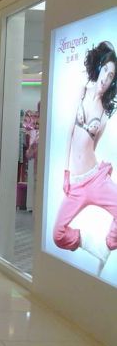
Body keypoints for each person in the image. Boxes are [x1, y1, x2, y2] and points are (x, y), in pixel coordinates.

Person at [53, 41, 117, 253]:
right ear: (98, 67)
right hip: (77, 184)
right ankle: (83, 240)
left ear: (113, 82)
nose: (106, 78)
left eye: (111, 76)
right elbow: (69, 134)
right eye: (105, 70)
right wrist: (66, 173)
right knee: (58, 235)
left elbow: (93, 147)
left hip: (95, 179)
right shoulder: (82, 91)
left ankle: (110, 242)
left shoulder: (104, 115)